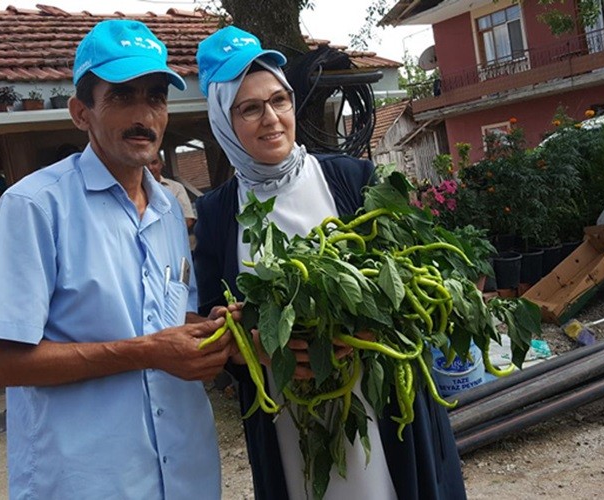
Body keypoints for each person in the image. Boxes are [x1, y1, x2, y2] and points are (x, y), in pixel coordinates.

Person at [193, 26, 467, 499]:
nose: (272, 119)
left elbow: (406, 284)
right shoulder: (218, 214)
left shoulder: (349, 178)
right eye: (250, 108)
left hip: (377, 396)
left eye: (279, 101)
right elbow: (215, 317)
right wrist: (251, 345)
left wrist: (370, 328)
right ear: (224, 122)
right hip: (287, 415)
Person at [0, 20, 235, 499]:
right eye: (121, 96)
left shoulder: (168, 212)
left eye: (155, 96)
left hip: (184, 473)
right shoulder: (34, 208)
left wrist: (213, 328)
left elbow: (169, 319)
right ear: (80, 112)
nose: (144, 114)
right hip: (90, 481)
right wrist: (148, 351)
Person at [147, 150, 197, 229]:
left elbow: (188, 219)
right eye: (145, 164)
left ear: (161, 164)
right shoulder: (133, 191)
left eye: (154, 163)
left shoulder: (176, 188)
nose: (150, 168)